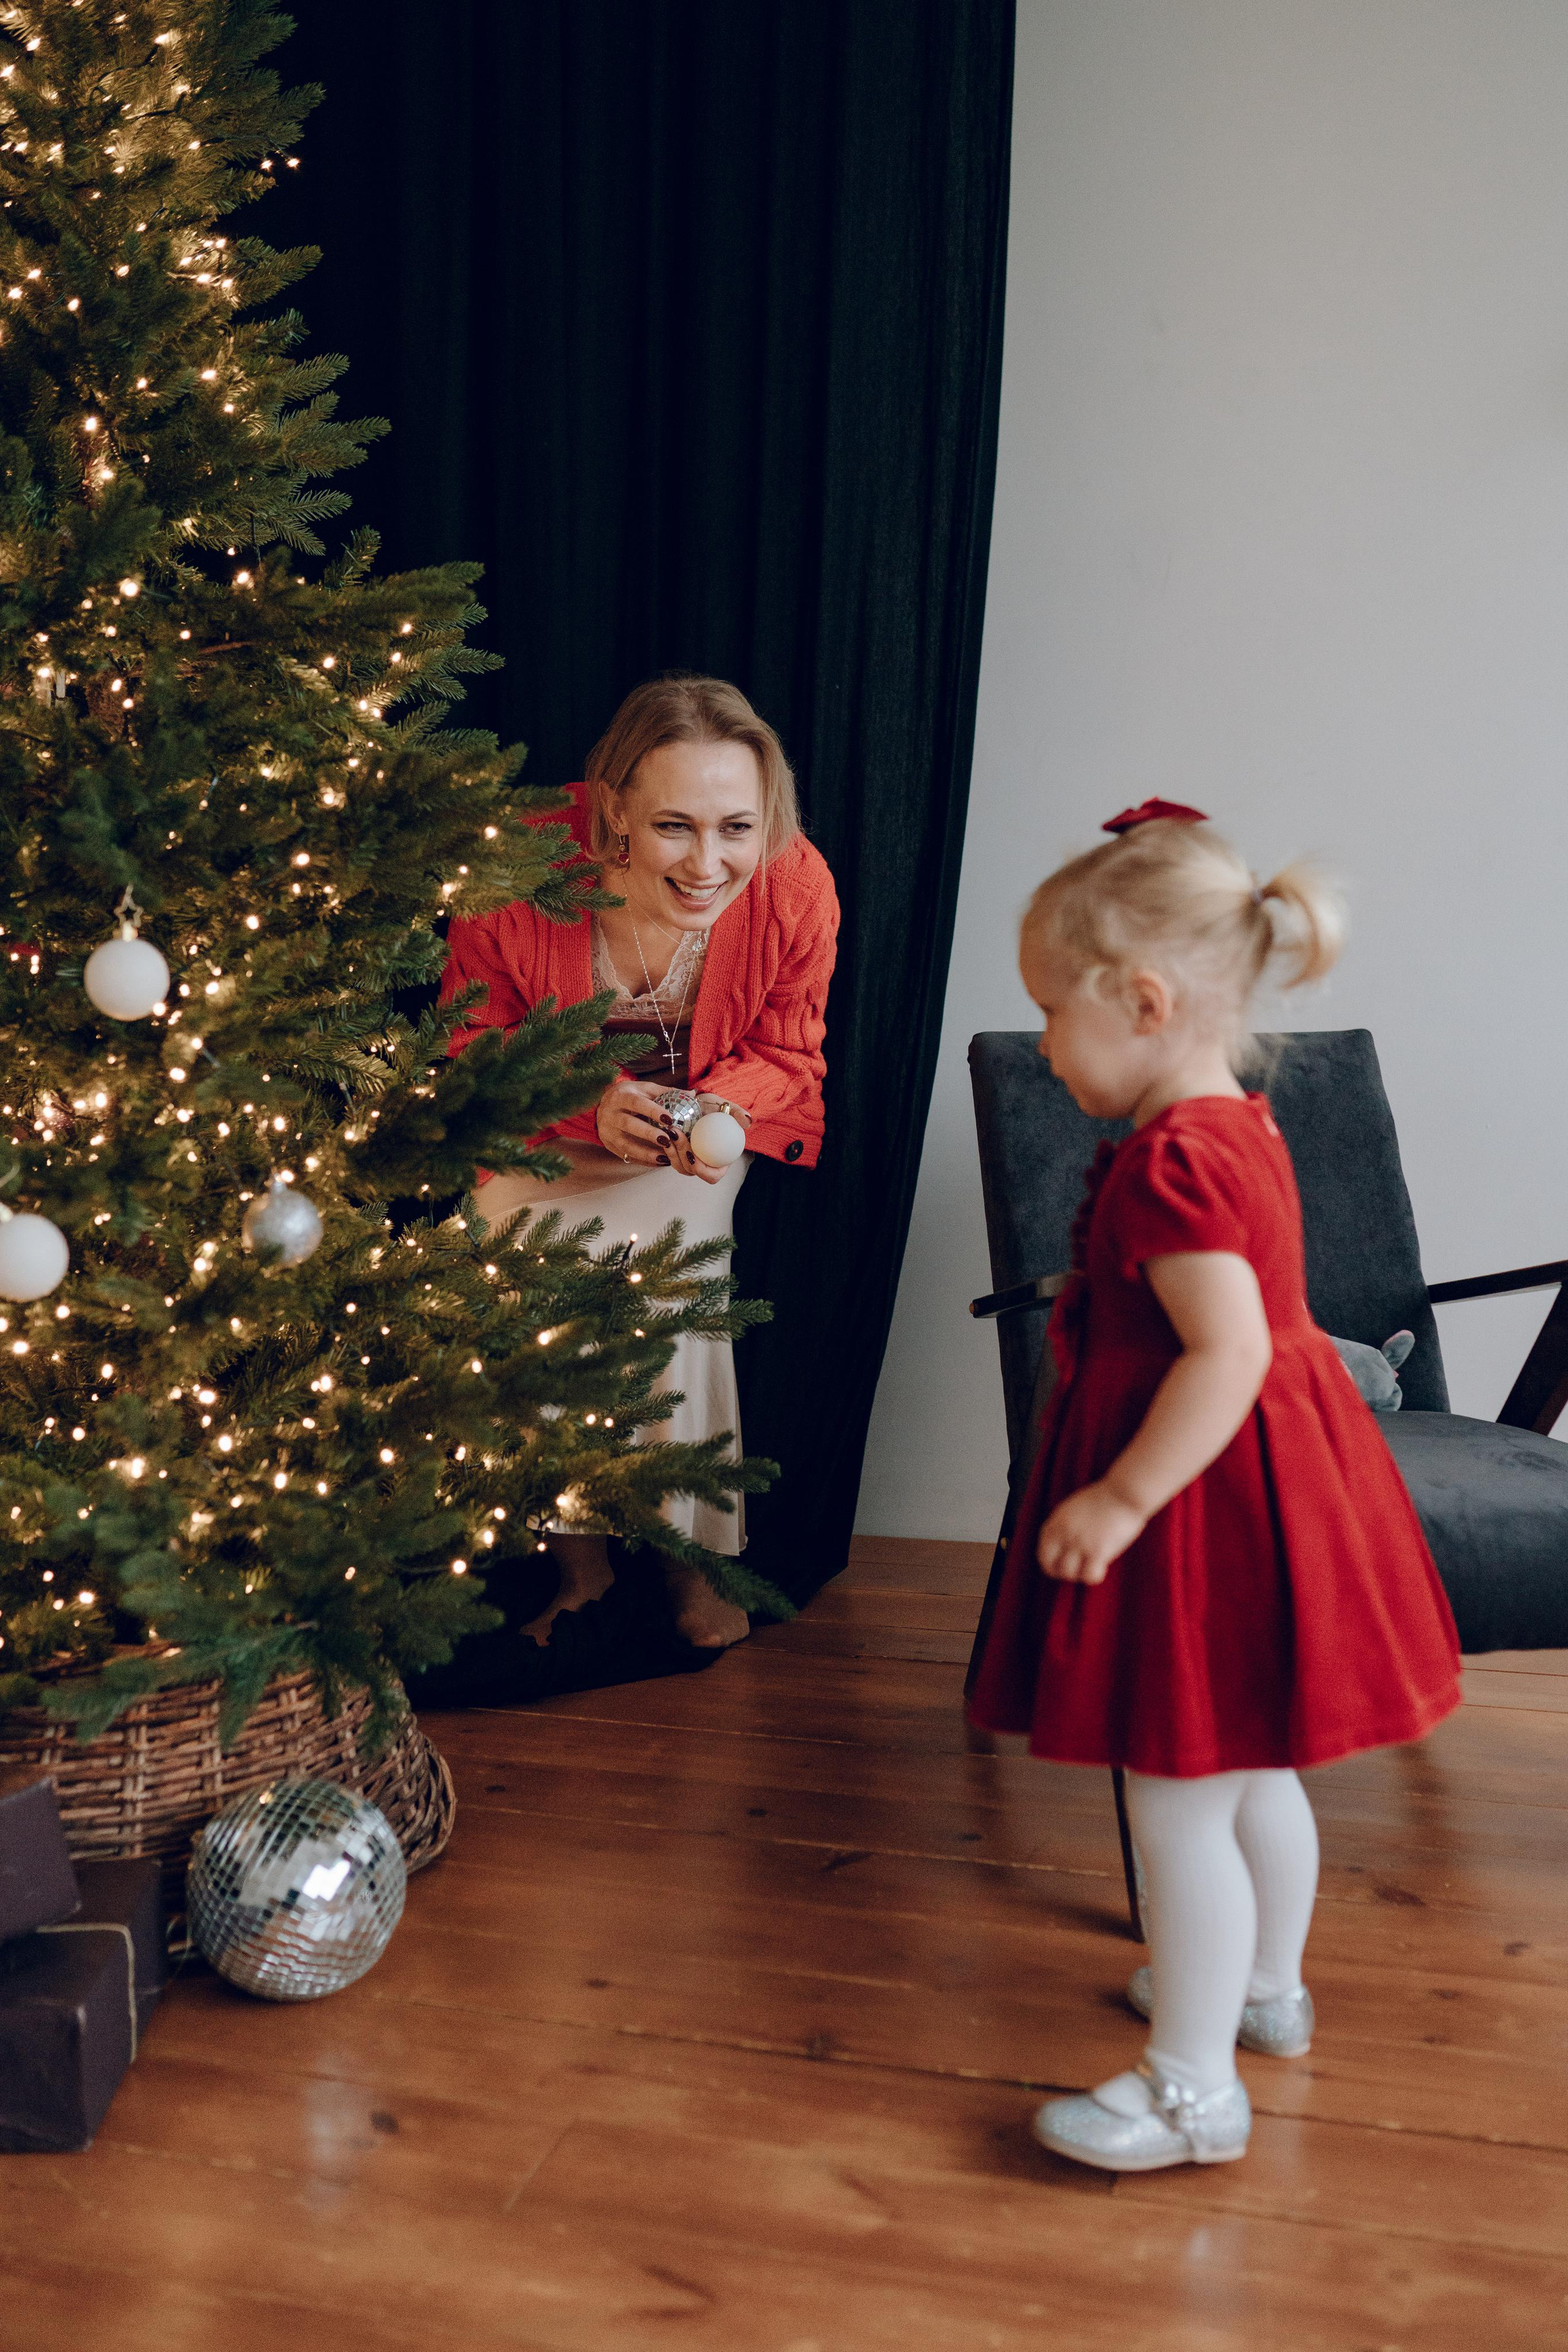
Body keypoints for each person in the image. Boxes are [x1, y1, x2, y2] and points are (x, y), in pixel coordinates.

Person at [968, 802, 1460, 2174]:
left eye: (1052, 1014)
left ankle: (1190, 2087)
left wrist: (1120, 1499)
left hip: (1199, 1498)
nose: (1047, 1046)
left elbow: (1226, 1351)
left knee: (1174, 1787)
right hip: (1268, 1481)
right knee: (1251, 1769)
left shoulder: (1173, 1163)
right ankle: (1261, 1990)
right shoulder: (1236, 1123)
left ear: (1142, 999)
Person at [440, 674, 838, 1649]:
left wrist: (708, 1113)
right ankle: (581, 1564)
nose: (710, 863)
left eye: (736, 828)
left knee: (670, 1273)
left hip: (697, 1139)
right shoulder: (517, 863)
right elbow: (469, 1040)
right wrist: (583, 1100)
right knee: (514, 1254)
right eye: (675, 827)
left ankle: (692, 1562)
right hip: (545, 1130)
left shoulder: (794, 886)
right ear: (613, 808)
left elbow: (790, 1054)